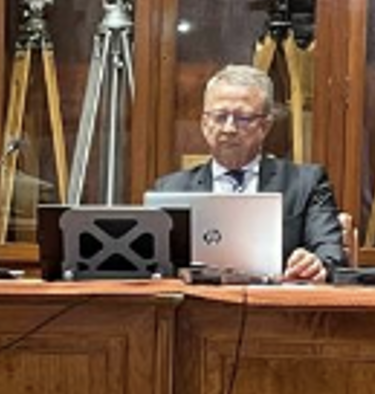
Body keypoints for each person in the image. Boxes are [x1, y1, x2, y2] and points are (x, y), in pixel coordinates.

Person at [146, 62, 344, 281]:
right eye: (220, 117)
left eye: (243, 119)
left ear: (265, 126)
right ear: (204, 123)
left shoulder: (306, 183)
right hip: (198, 306)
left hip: (277, 307)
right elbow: (153, 266)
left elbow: (331, 254)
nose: (229, 129)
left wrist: (316, 264)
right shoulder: (172, 190)